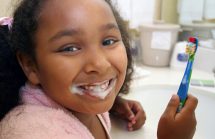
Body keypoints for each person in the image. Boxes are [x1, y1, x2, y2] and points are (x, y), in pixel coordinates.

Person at [0, 0, 198, 139]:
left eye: (108, 41)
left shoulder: (77, 102)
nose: (100, 64)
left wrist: (114, 104)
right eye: (70, 48)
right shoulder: (34, 132)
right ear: (30, 66)